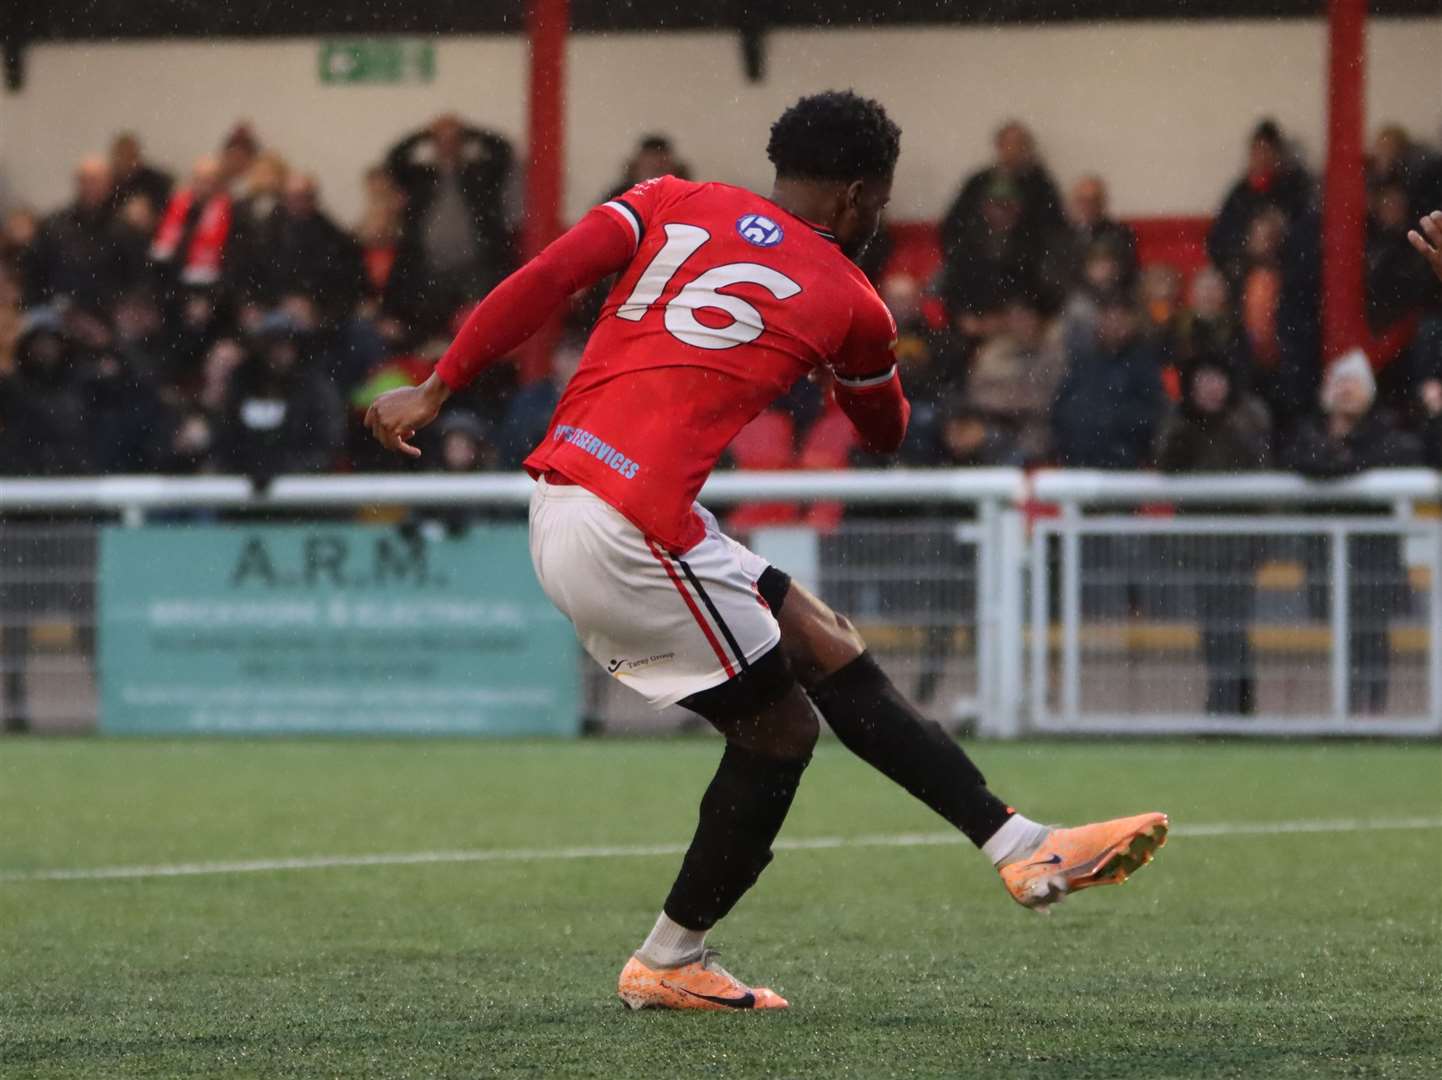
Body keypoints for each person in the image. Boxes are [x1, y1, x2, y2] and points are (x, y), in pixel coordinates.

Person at [364, 91, 1167, 1012]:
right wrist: (866, 356)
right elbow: (887, 429)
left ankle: (1020, 845)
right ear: (862, 198)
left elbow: (546, 279)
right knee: (782, 730)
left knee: (820, 637)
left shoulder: (668, 197)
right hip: (627, 529)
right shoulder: (851, 299)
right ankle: (669, 962)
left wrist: (438, 384)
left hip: (576, 494)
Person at [1282, 350, 1422, 714]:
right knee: (1345, 636)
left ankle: (1370, 712)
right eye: (1339, 381)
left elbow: (1398, 454)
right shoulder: (1308, 430)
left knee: (1371, 636)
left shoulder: (1387, 431)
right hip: (1327, 553)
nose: (1345, 390)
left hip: (1373, 555)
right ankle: (1347, 709)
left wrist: (1340, 460)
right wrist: (1344, 461)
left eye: (1353, 382)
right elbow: (1300, 460)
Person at [1155, 356, 1272, 715]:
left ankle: (1229, 703)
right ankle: (1230, 702)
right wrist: (1191, 422)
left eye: (1217, 378)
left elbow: (1257, 461)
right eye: (1203, 379)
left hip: (1240, 540)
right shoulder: (1182, 419)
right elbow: (1166, 462)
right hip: (1203, 542)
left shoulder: (1249, 415)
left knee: (1230, 626)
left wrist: (1221, 421)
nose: (1211, 387)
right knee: (1214, 627)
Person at [1051, 291, 1167, 469]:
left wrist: (1108, 420)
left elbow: (1152, 414)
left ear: (1133, 321)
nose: (1114, 324)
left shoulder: (1145, 364)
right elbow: (1061, 408)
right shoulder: (1083, 362)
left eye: (1121, 318)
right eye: (1109, 317)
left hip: (1125, 465)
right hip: (1078, 462)